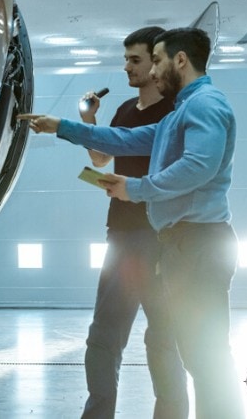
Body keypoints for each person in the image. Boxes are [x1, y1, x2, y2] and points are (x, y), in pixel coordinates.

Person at [18, 27, 245, 419]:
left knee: (203, 355)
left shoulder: (204, 105)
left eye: (156, 60)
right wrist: (64, 127)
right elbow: (126, 140)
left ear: (179, 60)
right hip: (181, 243)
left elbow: (198, 167)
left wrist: (136, 188)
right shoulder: (183, 111)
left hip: (199, 243)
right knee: (197, 354)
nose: (153, 70)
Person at [77, 27, 188, 419]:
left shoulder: (176, 115)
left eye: (136, 60)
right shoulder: (125, 110)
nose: (127, 67)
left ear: (157, 62)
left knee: (163, 339)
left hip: (161, 239)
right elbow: (101, 159)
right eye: (126, 59)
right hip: (121, 236)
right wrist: (88, 118)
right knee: (104, 337)